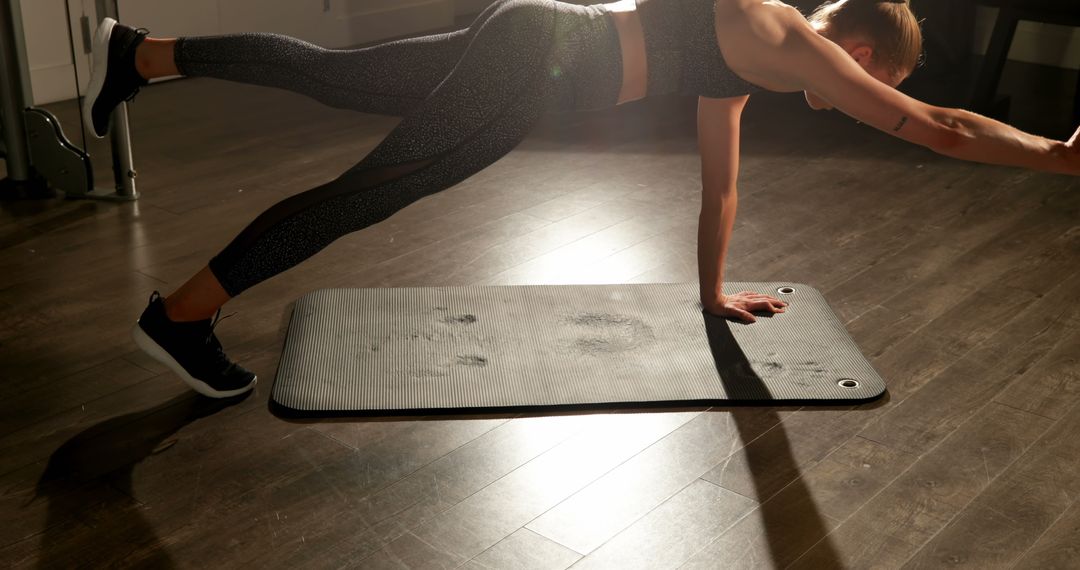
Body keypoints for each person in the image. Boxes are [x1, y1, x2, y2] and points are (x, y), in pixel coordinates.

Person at [84, 0, 1080, 399]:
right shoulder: (788, 45)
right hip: (536, 68)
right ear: (864, 56)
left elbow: (720, 183)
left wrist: (711, 293)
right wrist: (1062, 164)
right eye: (883, 87)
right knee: (366, 196)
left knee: (340, 77)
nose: (877, 104)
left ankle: (142, 53)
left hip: (534, 37)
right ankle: (181, 316)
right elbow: (945, 129)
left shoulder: (750, 60)